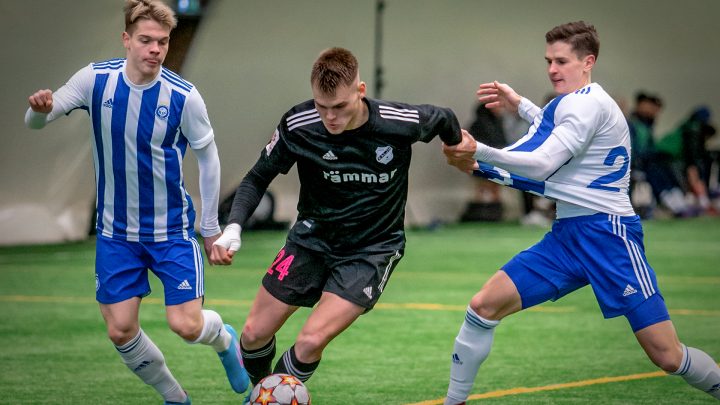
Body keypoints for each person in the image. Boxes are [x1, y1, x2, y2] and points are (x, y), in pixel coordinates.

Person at [442, 21, 720, 404]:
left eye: (561, 61)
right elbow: (557, 127)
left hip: (610, 236)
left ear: (588, 61)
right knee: (483, 306)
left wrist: (481, 152)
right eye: (548, 61)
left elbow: (542, 164)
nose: (552, 69)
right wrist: (520, 104)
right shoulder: (579, 101)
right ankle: (453, 402)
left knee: (667, 355)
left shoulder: (586, 105)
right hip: (568, 235)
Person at [24, 1, 249, 403]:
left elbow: (209, 157)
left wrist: (212, 228)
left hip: (171, 232)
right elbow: (41, 117)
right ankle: (175, 397)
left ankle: (224, 340)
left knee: (186, 325)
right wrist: (38, 111)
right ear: (126, 39)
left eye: (162, 42)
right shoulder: (95, 80)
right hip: (116, 234)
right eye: (145, 40)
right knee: (120, 330)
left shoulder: (183, 96)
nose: (155, 50)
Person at [211, 47, 461, 393]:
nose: (330, 117)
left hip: (372, 249)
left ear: (360, 91)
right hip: (310, 240)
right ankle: (264, 392)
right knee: (253, 335)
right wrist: (234, 227)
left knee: (311, 341)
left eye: (340, 106)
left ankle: (267, 399)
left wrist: (458, 149)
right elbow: (256, 178)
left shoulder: (398, 121)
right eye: (321, 106)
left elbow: (446, 118)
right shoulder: (299, 125)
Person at [627, 92, 692, 218]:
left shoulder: (647, 125)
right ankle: (673, 202)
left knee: (665, 166)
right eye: (653, 108)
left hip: (646, 162)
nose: (655, 112)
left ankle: (676, 199)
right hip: (636, 164)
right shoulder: (632, 124)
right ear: (642, 105)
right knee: (656, 170)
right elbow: (633, 150)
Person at [656, 107, 718, 215]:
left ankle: (695, 204)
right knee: (686, 178)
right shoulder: (693, 129)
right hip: (666, 160)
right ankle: (687, 206)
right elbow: (692, 161)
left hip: (666, 159)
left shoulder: (686, 126)